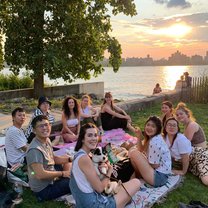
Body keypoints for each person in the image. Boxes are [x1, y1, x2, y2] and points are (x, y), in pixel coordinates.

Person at [69, 123, 141, 208]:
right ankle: (122, 202)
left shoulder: (78, 155)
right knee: (136, 183)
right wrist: (109, 171)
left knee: (121, 189)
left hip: (85, 202)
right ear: (82, 139)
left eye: (95, 135)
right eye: (89, 135)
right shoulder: (84, 159)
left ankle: (122, 201)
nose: (93, 138)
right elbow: (99, 189)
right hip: (95, 204)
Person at [26, 115, 71, 201]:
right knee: (75, 181)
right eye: (40, 126)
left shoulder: (46, 140)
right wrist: (62, 173)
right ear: (34, 131)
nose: (44, 128)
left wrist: (70, 159)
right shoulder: (35, 150)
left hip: (50, 175)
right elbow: (40, 175)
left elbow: (53, 159)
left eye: (46, 125)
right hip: (44, 190)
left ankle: (65, 177)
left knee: (66, 158)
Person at [129, 116, 172, 187]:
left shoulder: (154, 142)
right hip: (160, 174)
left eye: (153, 126)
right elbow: (141, 150)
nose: (149, 128)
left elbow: (155, 165)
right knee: (133, 151)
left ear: (157, 129)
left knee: (134, 153)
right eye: (148, 125)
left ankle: (137, 176)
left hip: (159, 177)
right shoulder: (153, 138)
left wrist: (143, 161)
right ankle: (138, 175)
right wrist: (139, 136)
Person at [175, 102, 208, 185]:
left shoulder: (192, 125)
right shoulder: (187, 125)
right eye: (177, 115)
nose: (179, 116)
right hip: (195, 155)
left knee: (205, 180)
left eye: (181, 114)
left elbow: (185, 144)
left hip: (201, 154)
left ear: (187, 114)